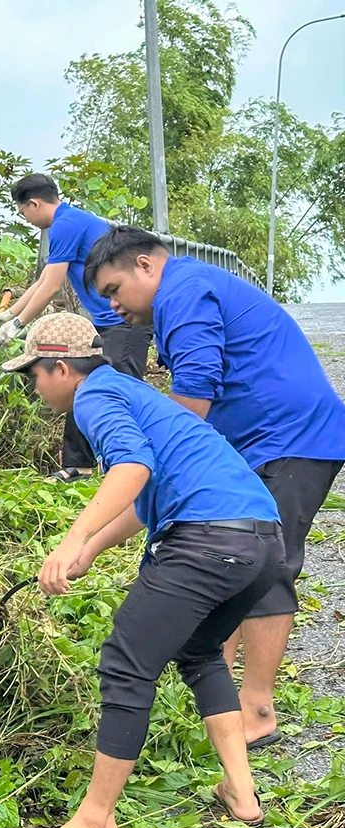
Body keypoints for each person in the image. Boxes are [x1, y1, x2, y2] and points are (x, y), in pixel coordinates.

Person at [4, 313, 284, 828]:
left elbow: (131, 466)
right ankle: (242, 792)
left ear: (61, 367)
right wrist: (91, 548)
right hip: (261, 540)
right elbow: (145, 490)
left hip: (205, 541)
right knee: (200, 651)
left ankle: (94, 823)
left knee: (125, 664)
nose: (34, 386)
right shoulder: (131, 391)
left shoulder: (94, 398)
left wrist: (69, 538)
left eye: (33, 374)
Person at [85, 225, 345, 750]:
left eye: (113, 291)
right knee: (232, 564)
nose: (113, 307)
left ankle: (257, 709)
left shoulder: (181, 292)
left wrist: (144, 461)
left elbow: (193, 401)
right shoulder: (186, 288)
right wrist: (94, 540)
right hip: (257, 442)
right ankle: (219, 700)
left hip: (290, 437)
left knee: (266, 564)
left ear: (144, 266)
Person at [0, 174, 153, 483]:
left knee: (120, 391)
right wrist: (10, 312)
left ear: (34, 203)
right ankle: (80, 466)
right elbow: (42, 280)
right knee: (84, 384)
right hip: (107, 322)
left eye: (23, 211)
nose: (25, 217)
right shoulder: (70, 220)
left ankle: (132, 464)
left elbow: (51, 286)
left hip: (125, 321)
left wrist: (17, 325)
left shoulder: (66, 224)